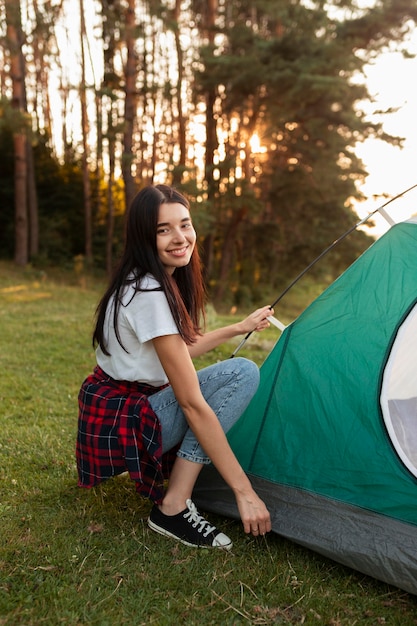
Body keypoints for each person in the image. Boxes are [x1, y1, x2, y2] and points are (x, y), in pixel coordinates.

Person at [76, 184, 272, 550]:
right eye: (163, 230)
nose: (179, 238)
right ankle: (172, 506)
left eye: (185, 224)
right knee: (238, 376)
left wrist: (239, 327)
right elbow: (191, 405)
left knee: (236, 374)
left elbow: (179, 350)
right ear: (143, 237)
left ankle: (176, 497)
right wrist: (244, 492)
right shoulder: (149, 293)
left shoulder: (147, 279)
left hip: (115, 414)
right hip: (127, 423)